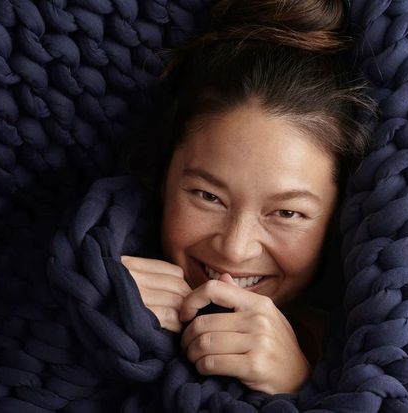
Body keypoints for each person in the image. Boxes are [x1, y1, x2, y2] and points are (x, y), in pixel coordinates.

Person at [119, 0, 376, 395]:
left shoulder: (356, 364)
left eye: (287, 213)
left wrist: (297, 386)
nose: (235, 250)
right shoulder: (105, 275)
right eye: (208, 196)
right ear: (164, 175)